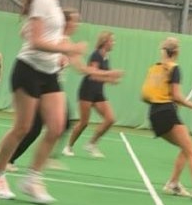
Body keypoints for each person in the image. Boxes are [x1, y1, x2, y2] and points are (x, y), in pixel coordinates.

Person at [0, 0, 85, 204]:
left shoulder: (53, 2)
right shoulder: (42, 0)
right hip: (28, 69)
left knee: (57, 126)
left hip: (49, 73)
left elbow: (39, 33)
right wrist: (67, 50)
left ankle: (32, 179)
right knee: (22, 128)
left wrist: (63, 49)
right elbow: (36, 42)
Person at [7, 10, 120, 170]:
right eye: (75, 21)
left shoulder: (67, 42)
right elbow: (27, 37)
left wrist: (108, 75)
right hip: (39, 84)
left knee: (60, 123)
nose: (77, 24)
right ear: (65, 22)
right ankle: (9, 159)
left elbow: (82, 68)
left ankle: (36, 157)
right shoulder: (53, 38)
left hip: (52, 88)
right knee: (34, 128)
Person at [141, 37, 192, 203]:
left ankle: (173, 183)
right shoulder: (174, 69)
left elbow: (145, 95)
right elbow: (175, 95)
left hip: (154, 113)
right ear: (175, 52)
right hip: (167, 112)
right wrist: (189, 104)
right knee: (191, 150)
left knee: (185, 146)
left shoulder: (154, 68)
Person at [63, 30, 120, 158]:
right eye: (112, 40)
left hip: (98, 92)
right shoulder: (96, 55)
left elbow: (105, 74)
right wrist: (110, 76)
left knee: (110, 119)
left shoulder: (106, 57)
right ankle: (68, 146)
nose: (114, 43)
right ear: (105, 42)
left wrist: (112, 79)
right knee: (84, 122)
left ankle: (91, 144)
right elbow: (93, 74)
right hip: (87, 91)